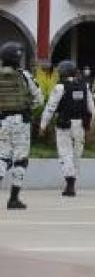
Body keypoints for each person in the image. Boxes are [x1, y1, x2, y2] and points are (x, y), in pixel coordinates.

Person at [39, 60, 95, 197]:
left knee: (65, 153)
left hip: (64, 125)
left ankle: (69, 184)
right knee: (76, 154)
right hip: (80, 125)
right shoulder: (84, 86)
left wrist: (43, 125)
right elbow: (91, 108)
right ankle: (72, 183)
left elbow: (50, 107)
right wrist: (89, 124)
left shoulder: (60, 87)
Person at [0, 41, 43, 209]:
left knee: (2, 157)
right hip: (21, 122)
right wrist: (28, 109)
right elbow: (38, 99)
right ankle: (13, 198)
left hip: (2, 121)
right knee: (20, 160)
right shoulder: (24, 75)